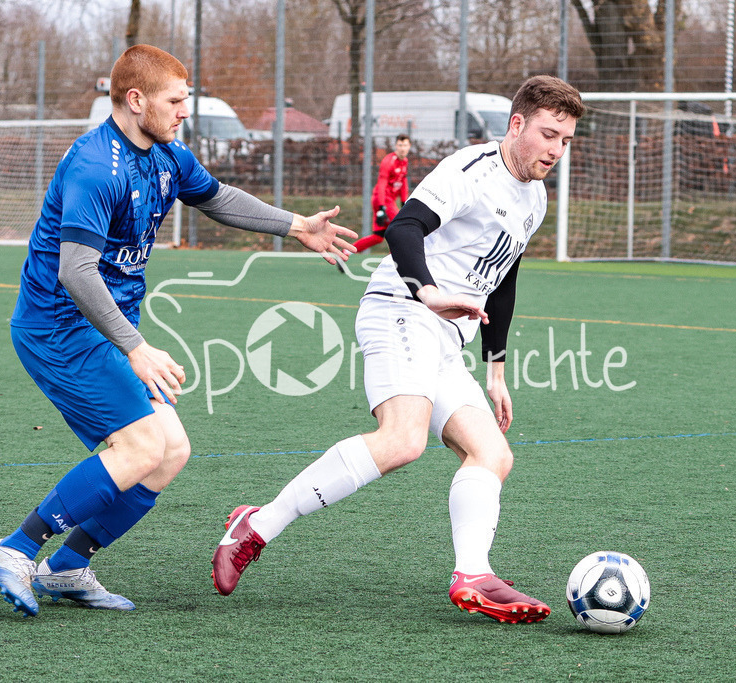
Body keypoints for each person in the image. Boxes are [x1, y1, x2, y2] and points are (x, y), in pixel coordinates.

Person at [0, 44, 356, 617]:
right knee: (144, 444)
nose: (184, 112)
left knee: (171, 451)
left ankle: (66, 567)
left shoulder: (166, 154)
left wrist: (297, 225)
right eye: (175, 101)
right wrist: (136, 347)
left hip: (105, 330)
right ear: (135, 100)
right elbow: (74, 272)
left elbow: (218, 198)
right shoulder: (93, 166)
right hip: (59, 328)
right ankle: (16, 548)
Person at [212, 75, 584, 624]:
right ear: (517, 124)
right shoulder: (470, 171)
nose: (556, 151)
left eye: (566, 141)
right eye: (549, 135)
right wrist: (428, 291)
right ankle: (257, 526)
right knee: (403, 440)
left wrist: (497, 370)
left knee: (493, 455)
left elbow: (503, 279)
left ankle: (473, 575)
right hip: (401, 308)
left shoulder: (535, 197)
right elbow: (405, 228)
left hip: (444, 339)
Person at [359, 134, 411, 252]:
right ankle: (398, 261)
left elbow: (403, 181)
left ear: (409, 146)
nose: (403, 148)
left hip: (389, 200)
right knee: (400, 228)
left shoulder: (405, 161)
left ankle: (346, 252)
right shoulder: (389, 161)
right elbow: (381, 184)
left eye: (405, 145)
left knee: (378, 236)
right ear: (396, 146)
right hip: (382, 199)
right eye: (400, 145)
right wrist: (382, 207)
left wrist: (404, 201)